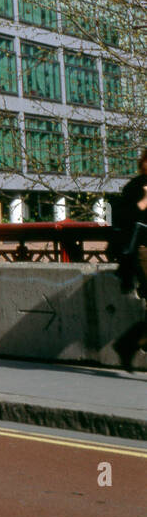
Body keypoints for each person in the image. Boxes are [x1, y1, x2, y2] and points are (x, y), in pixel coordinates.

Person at [111, 149, 147, 368]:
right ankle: (130, 343)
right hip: (143, 249)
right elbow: (122, 220)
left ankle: (129, 343)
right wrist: (143, 202)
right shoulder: (134, 187)